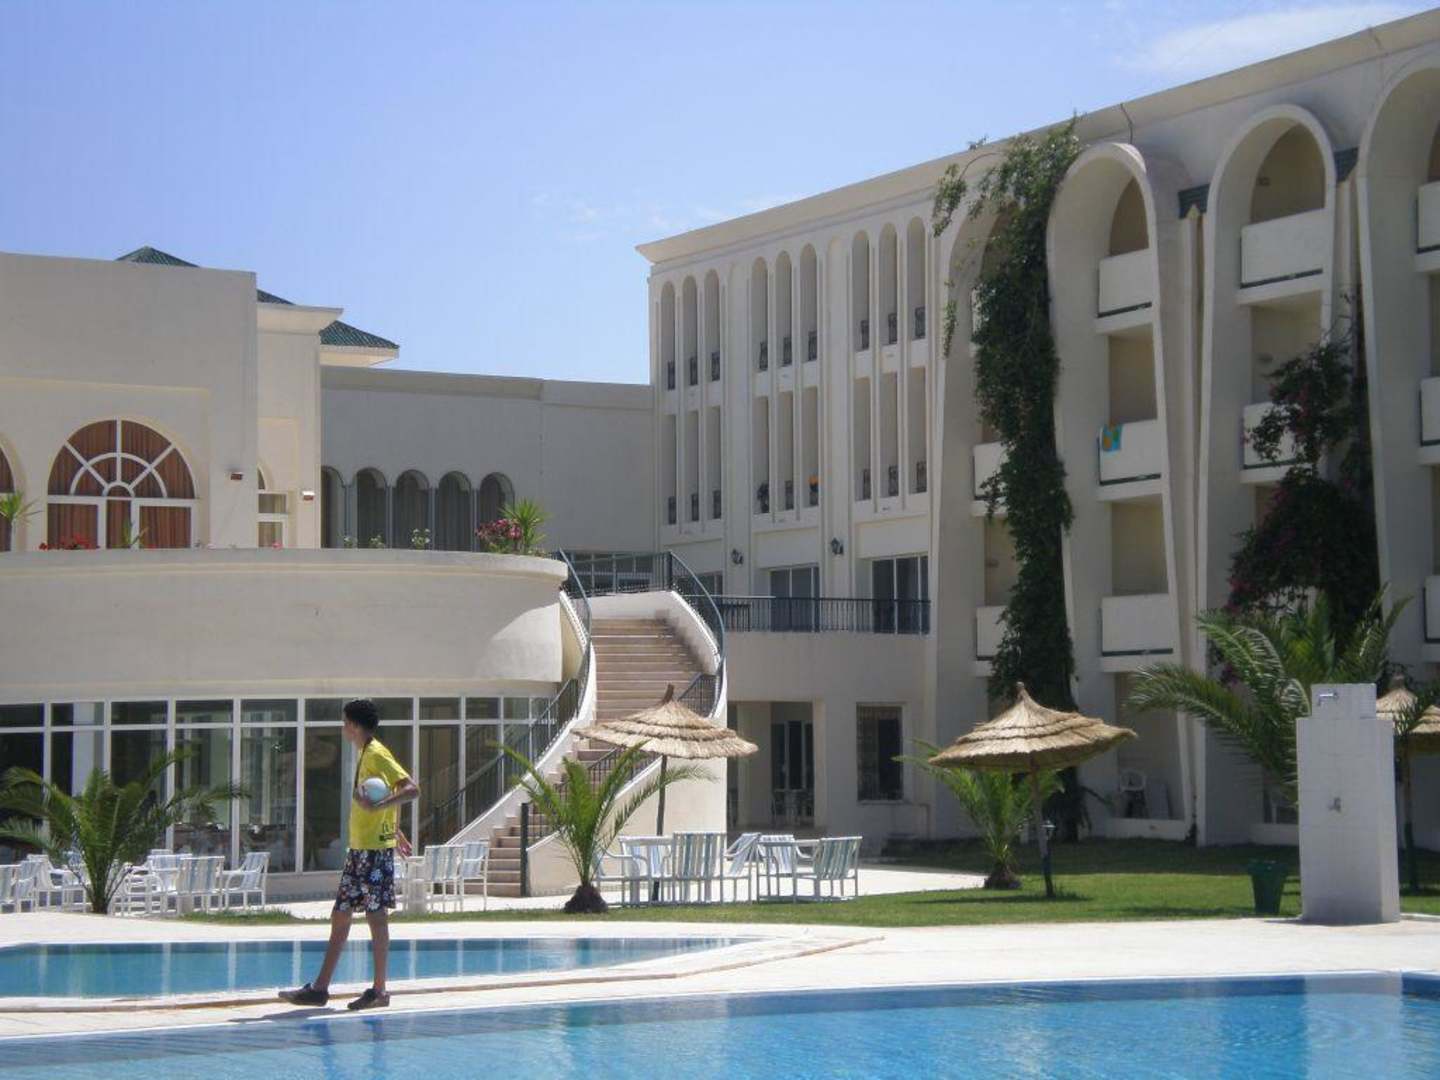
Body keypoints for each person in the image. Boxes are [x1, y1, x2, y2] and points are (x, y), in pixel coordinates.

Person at [281, 698, 420, 1010]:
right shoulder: (365, 754)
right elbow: (390, 793)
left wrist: (378, 807)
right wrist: (395, 829)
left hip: (374, 852)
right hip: (360, 849)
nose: (343, 728)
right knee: (341, 914)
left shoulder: (377, 753)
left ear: (354, 726)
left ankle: (380, 991)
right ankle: (319, 989)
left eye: (345, 723)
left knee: (376, 917)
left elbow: (411, 789)